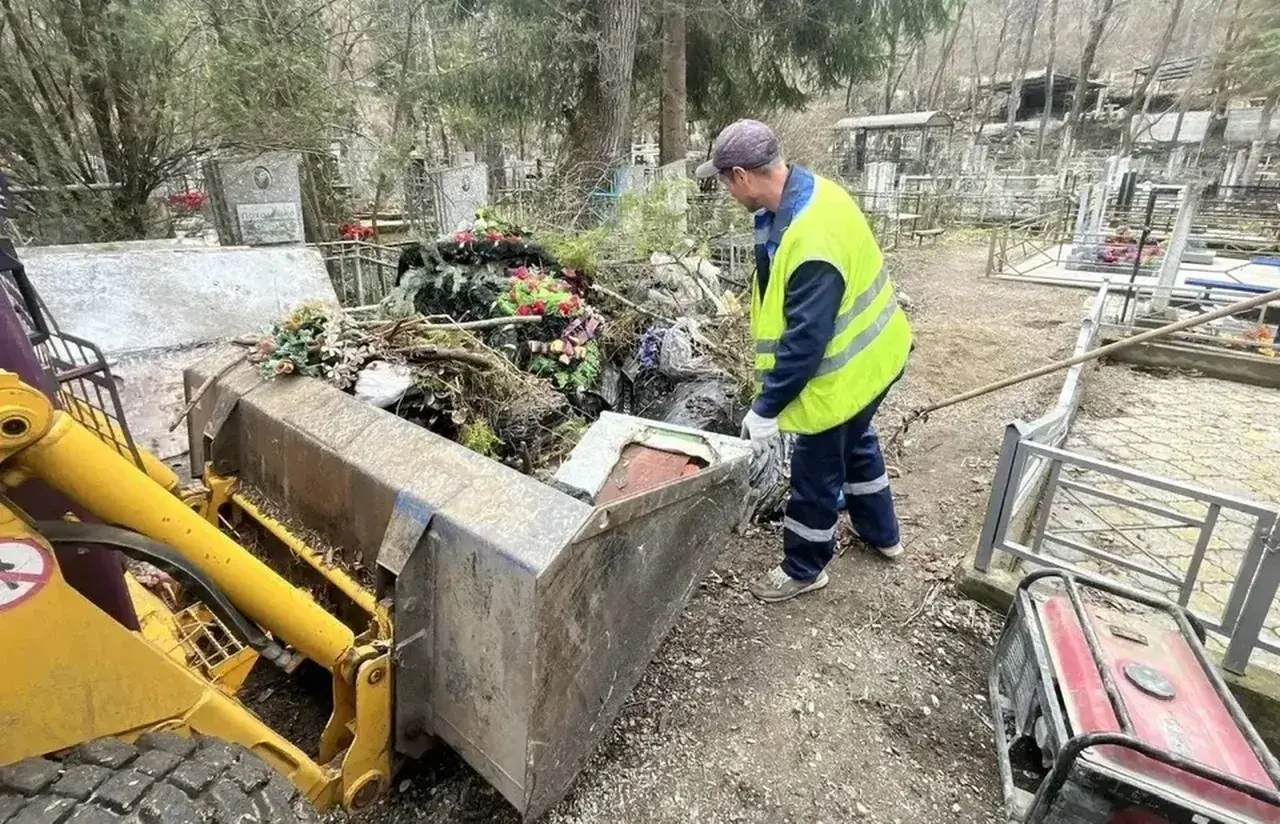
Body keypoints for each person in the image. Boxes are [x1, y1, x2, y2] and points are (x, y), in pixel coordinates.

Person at [696, 119, 912, 604]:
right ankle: (884, 535)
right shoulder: (810, 196)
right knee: (857, 442)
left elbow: (805, 342)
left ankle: (804, 567)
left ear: (742, 176)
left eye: (725, 181)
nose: (727, 192)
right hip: (877, 358)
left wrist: (767, 407)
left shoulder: (812, 239)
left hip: (846, 370)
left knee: (816, 470)